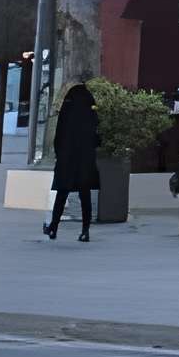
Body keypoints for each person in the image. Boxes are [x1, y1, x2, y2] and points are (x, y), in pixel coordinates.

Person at [45, 84, 101, 243]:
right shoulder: (91, 112)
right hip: (85, 158)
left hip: (67, 157)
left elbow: (59, 135)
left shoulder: (67, 110)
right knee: (85, 195)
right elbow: (97, 137)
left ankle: (53, 228)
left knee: (62, 193)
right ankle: (85, 230)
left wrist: (59, 154)